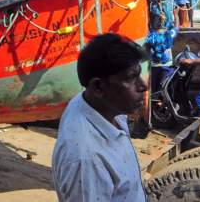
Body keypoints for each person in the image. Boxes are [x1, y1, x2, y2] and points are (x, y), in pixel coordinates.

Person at [52, 33, 148, 201]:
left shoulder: (101, 106)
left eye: (139, 75)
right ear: (98, 87)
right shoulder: (87, 160)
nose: (143, 85)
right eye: (130, 78)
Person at [145, 15, 177, 93]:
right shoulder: (169, 33)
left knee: (152, 91)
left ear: (150, 24)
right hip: (167, 66)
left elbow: (146, 51)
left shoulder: (150, 37)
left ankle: (154, 103)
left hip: (154, 67)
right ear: (161, 23)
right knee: (164, 89)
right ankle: (163, 103)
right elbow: (176, 27)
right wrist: (175, 15)